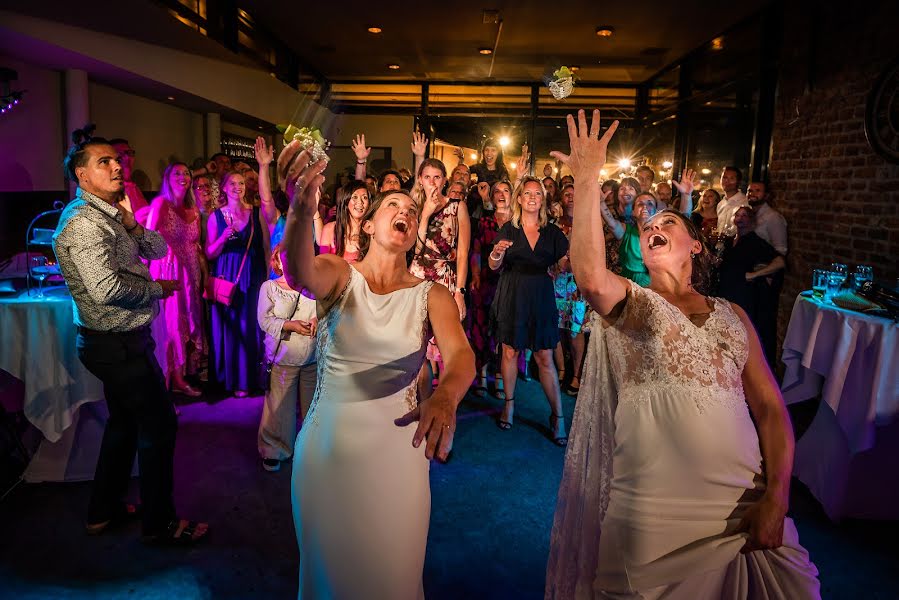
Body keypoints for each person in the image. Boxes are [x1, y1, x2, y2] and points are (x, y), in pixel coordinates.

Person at [546, 109, 819, 598]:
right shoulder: (632, 303)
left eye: (669, 220)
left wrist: (778, 494)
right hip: (652, 517)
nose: (655, 224)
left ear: (695, 244)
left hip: (741, 506)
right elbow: (588, 275)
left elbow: (772, 409)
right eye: (650, 222)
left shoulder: (733, 314)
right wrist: (587, 177)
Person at [278, 142, 474, 599]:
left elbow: (461, 357)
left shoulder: (432, 295)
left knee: (395, 574)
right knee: (331, 576)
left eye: (411, 208)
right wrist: (301, 209)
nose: (404, 210)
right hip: (330, 449)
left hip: (399, 450)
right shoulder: (339, 274)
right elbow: (298, 268)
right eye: (393, 204)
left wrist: (445, 396)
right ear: (367, 223)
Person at [53, 129, 207, 545]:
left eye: (115, 160)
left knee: (123, 424)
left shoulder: (108, 213)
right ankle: (161, 526)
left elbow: (156, 250)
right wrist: (158, 290)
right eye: (103, 162)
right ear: (81, 176)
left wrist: (131, 224)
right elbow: (106, 289)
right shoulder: (84, 223)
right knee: (159, 426)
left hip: (124, 340)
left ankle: (103, 511)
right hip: (114, 345)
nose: (116, 165)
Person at [489, 176, 569, 445]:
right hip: (512, 293)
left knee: (545, 356)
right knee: (510, 351)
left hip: (541, 295)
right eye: (528, 193)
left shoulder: (553, 233)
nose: (533, 197)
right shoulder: (509, 230)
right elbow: (493, 265)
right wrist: (497, 252)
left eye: (538, 193)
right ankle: (509, 405)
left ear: (542, 199)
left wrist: (569, 262)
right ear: (520, 199)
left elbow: (565, 264)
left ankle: (558, 416)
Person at [205, 171, 269, 397]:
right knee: (230, 328)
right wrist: (223, 237)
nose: (237, 187)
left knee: (250, 324)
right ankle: (231, 381)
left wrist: (268, 277)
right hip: (227, 276)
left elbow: (265, 248)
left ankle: (250, 379)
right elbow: (210, 253)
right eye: (232, 183)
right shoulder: (216, 217)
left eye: (241, 183)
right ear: (223, 187)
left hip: (251, 275)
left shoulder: (256, 213)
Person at [256, 244, 317, 472]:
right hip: (283, 358)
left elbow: (326, 311)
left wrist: (317, 321)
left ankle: (311, 451)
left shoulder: (314, 287)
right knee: (279, 409)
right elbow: (264, 320)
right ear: (278, 262)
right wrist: (290, 325)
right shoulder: (270, 287)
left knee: (312, 408)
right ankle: (274, 450)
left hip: (311, 357)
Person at [146, 162, 204, 397]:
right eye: (177, 173)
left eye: (186, 173)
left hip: (190, 272)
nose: (183, 177)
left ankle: (179, 379)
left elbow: (197, 245)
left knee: (186, 322)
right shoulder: (161, 203)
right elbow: (148, 238)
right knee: (170, 326)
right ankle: (164, 385)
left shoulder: (194, 208)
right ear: (168, 179)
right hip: (167, 270)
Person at [717, 205, 786, 367]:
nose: (740, 218)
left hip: (744, 296)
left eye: (744, 216)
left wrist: (753, 275)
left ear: (752, 221)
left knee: (742, 336)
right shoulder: (729, 241)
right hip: (726, 294)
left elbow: (780, 262)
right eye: (737, 215)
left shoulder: (756, 242)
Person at [469, 180, 511, 397]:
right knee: (482, 328)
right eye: (497, 192)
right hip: (486, 280)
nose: (502, 194)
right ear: (492, 198)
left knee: (504, 331)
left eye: (506, 191)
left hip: (510, 282)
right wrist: (475, 275)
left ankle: (501, 377)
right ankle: (482, 374)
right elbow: (475, 251)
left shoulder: (518, 223)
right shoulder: (484, 221)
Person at [551, 183, 587, 396]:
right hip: (556, 280)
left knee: (575, 329)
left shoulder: (586, 222)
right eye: (567, 194)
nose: (570, 197)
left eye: (574, 194)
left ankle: (576, 374)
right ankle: (561, 370)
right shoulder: (553, 223)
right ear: (561, 198)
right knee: (556, 327)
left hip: (577, 282)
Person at [318, 180, 369, 263]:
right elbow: (322, 265)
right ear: (346, 201)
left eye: (365, 197)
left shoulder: (371, 232)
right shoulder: (330, 229)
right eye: (355, 197)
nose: (360, 202)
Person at [109, 138, 149, 222]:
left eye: (129, 153)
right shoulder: (111, 191)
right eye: (120, 155)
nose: (127, 158)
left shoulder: (134, 187)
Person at [716, 165, 748, 236]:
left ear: (738, 182)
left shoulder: (744, 203)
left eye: (731, 178)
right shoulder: (721, 204)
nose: (727, 181)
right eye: (724, 177)